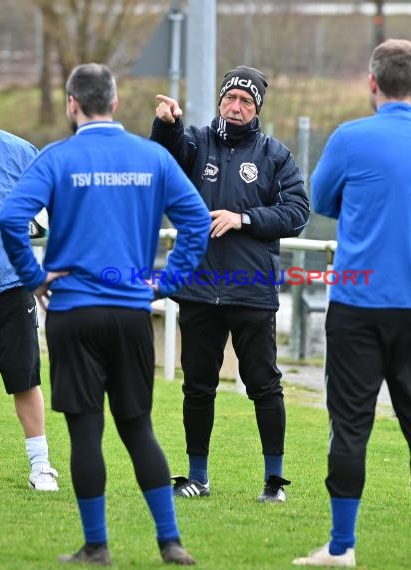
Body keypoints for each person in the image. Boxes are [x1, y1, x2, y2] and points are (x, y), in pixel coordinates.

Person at [0, 63, 211, 566]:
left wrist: (34, 277)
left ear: (72, 104)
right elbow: (197, 221)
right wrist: (168, 282)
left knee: (85, 431)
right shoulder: (152, 156)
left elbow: (10, 218)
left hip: (73, 312)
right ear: (115, 103)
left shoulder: (57, 157)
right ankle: (170, 542)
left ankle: (97, 546)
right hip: (131, 313)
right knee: (138, 428)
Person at [293, 39, 411, 567]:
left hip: (358, 306)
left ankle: (342, 548)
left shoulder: (349, 138)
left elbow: (322, 202)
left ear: (372, 83)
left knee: (351, 425)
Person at [150, 65, 310, 503]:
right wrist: (168, 127)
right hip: (199, 289)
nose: (235, 107)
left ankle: (274, 482)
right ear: (220, 101)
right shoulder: (197, 142)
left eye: (245, 101)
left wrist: (244, 219)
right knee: (197, 386)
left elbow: (297, 211)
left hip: (251, 290)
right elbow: (165, 160)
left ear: (257, 107)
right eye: (229, 99)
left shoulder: (274, 155)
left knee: (264, 385)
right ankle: (197, 477)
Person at [0, 72, 58, 492]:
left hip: (10, 282)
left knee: (24, 377)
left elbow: (49, 209)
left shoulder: (20, 152)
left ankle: (40, 465)